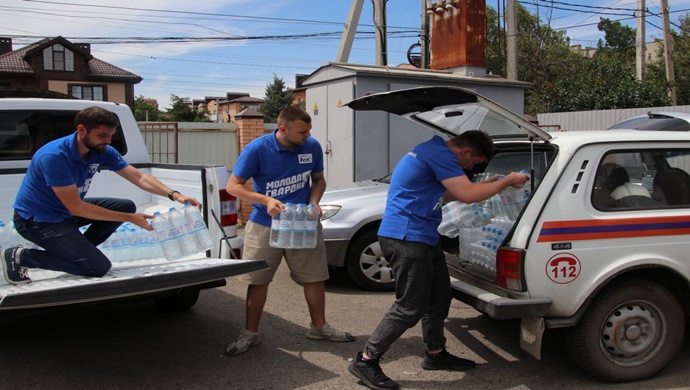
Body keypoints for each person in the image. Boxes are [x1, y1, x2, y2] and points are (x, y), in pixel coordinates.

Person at [349, 130, 529, 390]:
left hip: (423, 236)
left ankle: (435, 353)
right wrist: (507, 181)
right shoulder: (439, 154)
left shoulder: (431, 151)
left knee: (440, 296)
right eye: (474, 162)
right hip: (407, 238)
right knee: (410, 306)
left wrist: (488, 185)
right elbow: (467, 195)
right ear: (466, 151)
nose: (472, 167)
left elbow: (446, 195)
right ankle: (367, 360)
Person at [0, 106, 200, 285]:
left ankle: (80, 251)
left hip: (64, 211)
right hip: (38, 220)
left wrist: (175, 195)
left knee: (125, 206)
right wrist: (130, 219)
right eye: (102, 135)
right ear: (81, 130)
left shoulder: (102, 150)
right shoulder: (54, 157)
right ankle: (21, 256)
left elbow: (138, 176)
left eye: (110, 135)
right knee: (97, 267)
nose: (108, 141)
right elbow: (76, 208)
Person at [225, 105, 354, 356]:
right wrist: (266, 200)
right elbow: (233, 186)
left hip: (302, 223)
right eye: (302, 132)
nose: (307, 136)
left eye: (309, 131)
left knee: (314, 277)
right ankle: (250, 333)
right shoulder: (257, 149)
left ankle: (319, 327)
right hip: (265, 223)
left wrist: (314, 202)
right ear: (283, 129)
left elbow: (318, 179)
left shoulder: (311, 146)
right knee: (259, 279)